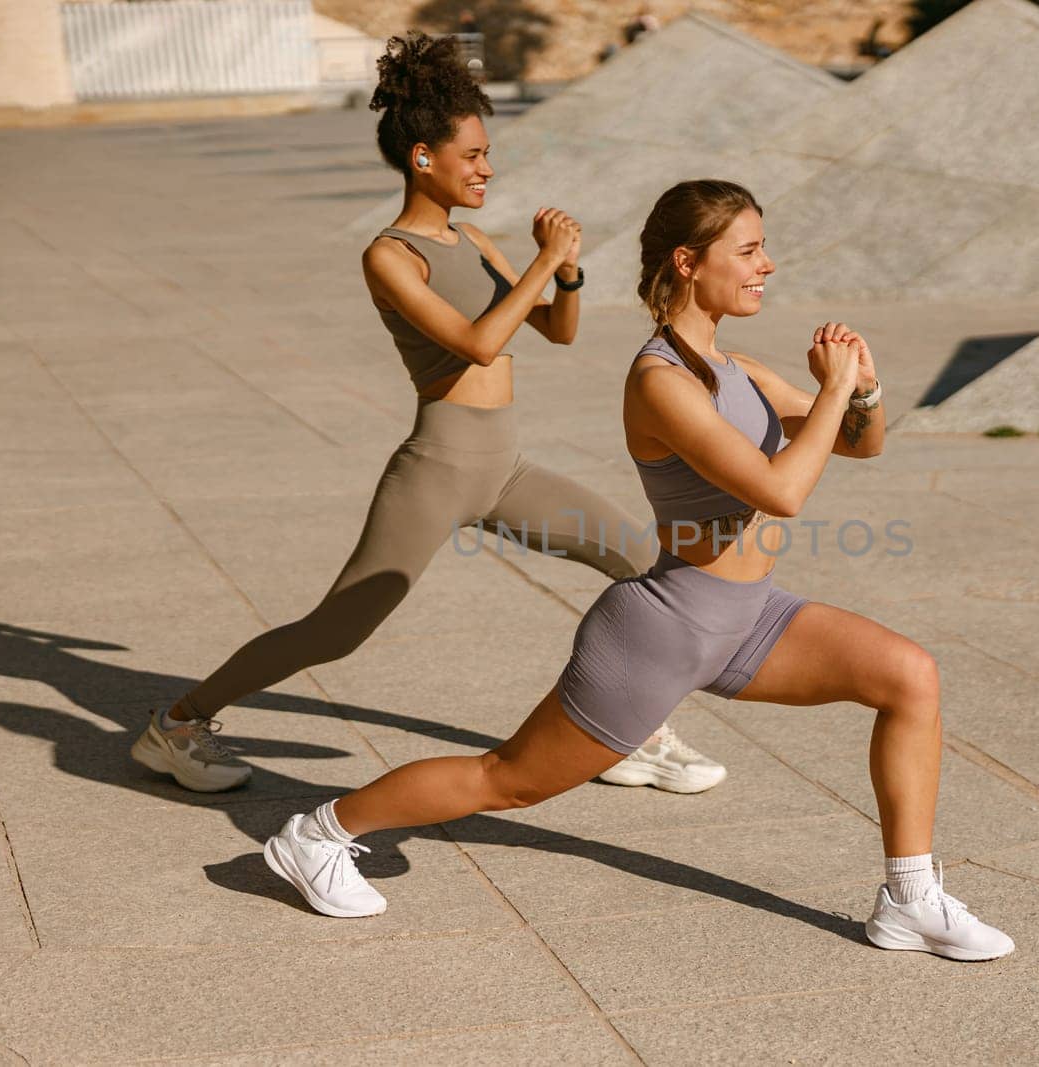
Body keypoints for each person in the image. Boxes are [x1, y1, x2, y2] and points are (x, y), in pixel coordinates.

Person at [258, 179, 1016, 961]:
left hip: (749, 616)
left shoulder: (741, 369)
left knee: (909, 676)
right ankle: (319, 831)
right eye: (749, 250)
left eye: (764, 249)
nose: (768, 265)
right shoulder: (659, 380)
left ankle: (909, 898)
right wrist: (830, 390)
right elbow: (783, 491)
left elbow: (862, 442)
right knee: (506, 780)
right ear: (688, 262)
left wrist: (866, 386)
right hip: (663, 628)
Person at [130, 33, 726, 799]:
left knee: (639, 560)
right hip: (438, 468)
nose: (486, 168)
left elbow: (557, 329)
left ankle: (627, 730)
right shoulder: (391, 255)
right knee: (337, 629)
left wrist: (567, 272)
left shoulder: (473, 239)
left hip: (505, 468)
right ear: (422, 158)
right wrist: (543, 261)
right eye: (472, 154)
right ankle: (175, 724)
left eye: (487, 154)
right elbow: (479, 344)